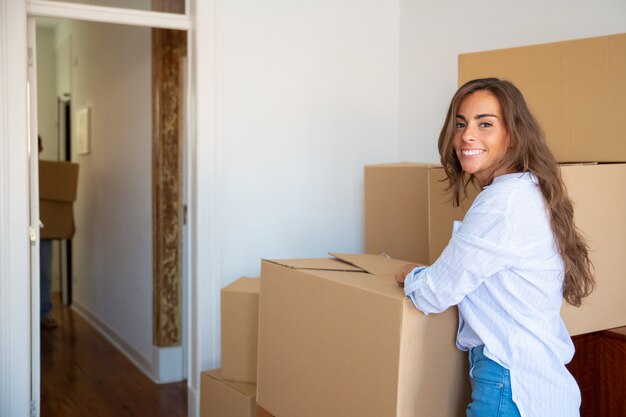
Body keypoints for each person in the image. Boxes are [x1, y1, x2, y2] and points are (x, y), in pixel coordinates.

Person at [394, 78, 594, 417]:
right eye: (461, 123)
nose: (466, 136)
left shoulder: (502, 203)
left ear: (513, 135)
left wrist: (411, 275)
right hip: (536, 386)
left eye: (484, 123)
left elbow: (433, 293)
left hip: (510, 387)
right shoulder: (527, 191)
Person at [39, 135, 58, 329]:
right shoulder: (20, 169)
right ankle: (29, 314)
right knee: (28, 273)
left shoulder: (50, 173)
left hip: (47, 230)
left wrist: (68, 223)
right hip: (28, 231)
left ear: (41, 148)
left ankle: (44, 313)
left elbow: (62, 201)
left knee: (46, 273)